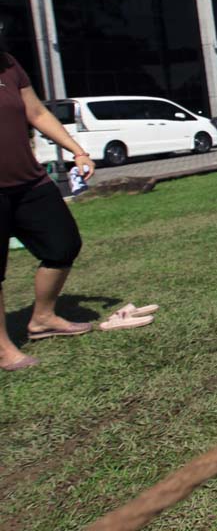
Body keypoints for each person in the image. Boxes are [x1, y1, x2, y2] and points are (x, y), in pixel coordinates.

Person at [1, 48, 94, 372]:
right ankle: (3, 350)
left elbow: (37, 113)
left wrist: (77, 151)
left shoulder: (9, 64)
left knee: (63, 243)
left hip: (28, 181)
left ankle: (42, 318)